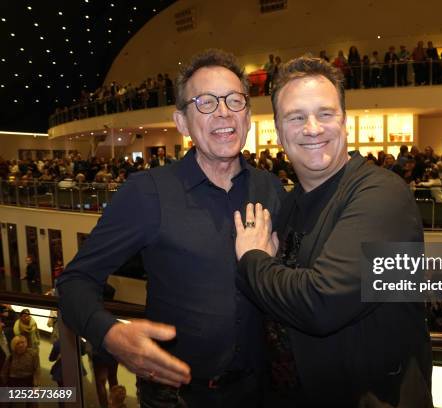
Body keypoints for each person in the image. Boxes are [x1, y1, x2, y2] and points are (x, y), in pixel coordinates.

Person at [57, 49, 284, 407]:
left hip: (259, 392)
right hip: (177, 399)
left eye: (234, 100)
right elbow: (74, 282)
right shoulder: (147, 192)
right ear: (181, 121)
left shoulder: (270, 188)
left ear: (248, 114)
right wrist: (111, 335)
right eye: (206, 102)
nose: (223, 112)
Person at [233, 57, 432, 407]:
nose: (312, 128)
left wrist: (253, 259)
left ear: (345, 123)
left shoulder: (382, 195)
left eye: (325, 114)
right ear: (279, 133)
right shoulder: (291, 205)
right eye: (296, 117)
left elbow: (320, 304)